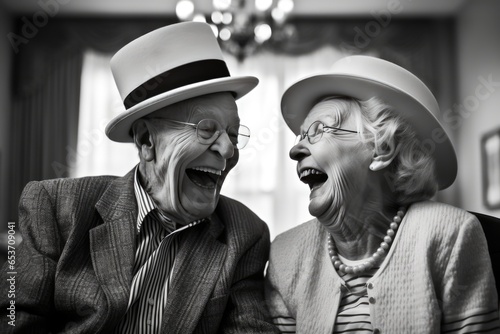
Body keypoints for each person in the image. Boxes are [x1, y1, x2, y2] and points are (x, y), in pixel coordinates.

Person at [1, 22, 278, 333]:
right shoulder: (55, 208)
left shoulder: (245, 234)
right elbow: (14, 317)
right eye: (206, 129)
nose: (228, 150)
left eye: (232, 134)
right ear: (147, 141)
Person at [265, 55, 500, 333]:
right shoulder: (285, 253)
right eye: (301, 136)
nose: (295, 151)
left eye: (318, 131)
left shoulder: (449, 234)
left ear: (382, 149)